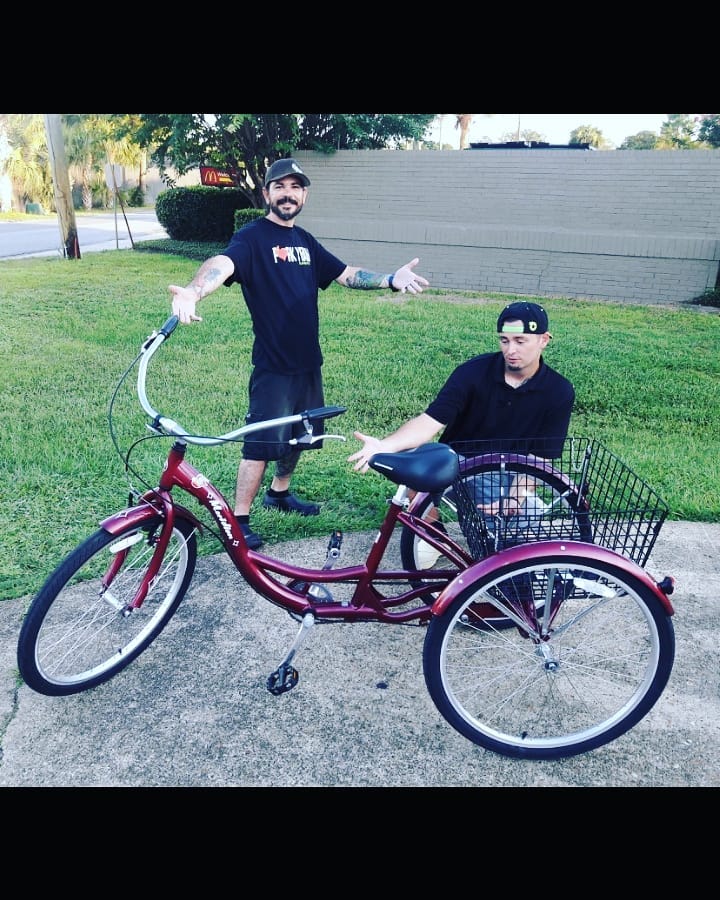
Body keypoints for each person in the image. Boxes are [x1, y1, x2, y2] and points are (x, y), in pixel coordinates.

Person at [169, 157, 429, 550]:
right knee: (260, 444)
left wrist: (390, 280)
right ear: (267, 193)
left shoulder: (305, 241)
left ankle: (280, 491)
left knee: (300, 437)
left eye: (295, 187)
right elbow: (223, 263)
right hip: (273, 366)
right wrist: (193, 290)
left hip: (309, 363)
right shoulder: (252, 238)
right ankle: (239, 518)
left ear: (304, 194)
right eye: (280, 186)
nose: (288, 193)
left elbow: (345, 274)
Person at [348, 301, 575, 548]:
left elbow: (539, 458)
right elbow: (429, 422)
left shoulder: (558, 390)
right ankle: (432, 522)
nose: (511, 350)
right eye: (504, 340)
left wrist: (514, 498)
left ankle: (505, 520)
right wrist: (384, 445)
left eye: (520, 341)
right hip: (456, 462)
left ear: (544, 339)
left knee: (503, 548)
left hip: (505, 473)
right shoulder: (473, 372)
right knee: (406, 453)